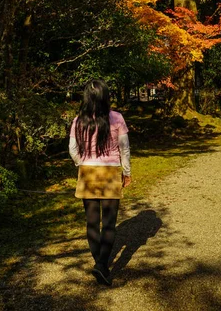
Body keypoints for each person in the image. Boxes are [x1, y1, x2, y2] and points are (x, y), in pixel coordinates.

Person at [69, 79, 131, 285]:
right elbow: (124, 149)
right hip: (111, 173)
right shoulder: (117, 118)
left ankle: (100, 264)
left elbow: (72, 149)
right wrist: (127, 172)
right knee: (110, 224)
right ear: (106, 95)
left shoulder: (79, 120)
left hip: (88, 173)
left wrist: (82, 163)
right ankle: (102, 265)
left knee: (92, 222)